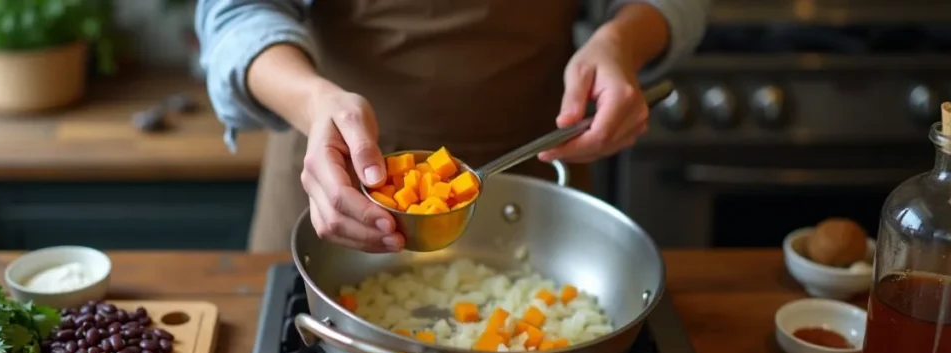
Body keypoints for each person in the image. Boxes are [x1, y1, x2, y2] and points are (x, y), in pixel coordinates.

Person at [196, 0, 712, 253]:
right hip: (335, 179)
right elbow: (236, 13)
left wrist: (620, 41)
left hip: (537, 172)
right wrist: (313, 101)